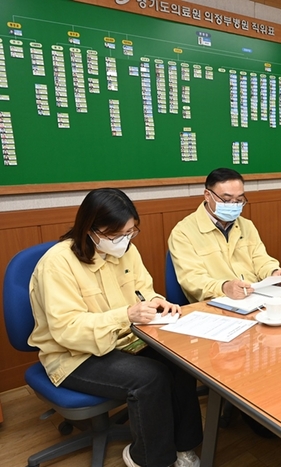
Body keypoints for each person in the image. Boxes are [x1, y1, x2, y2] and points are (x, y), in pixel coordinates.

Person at [28, 188, 202, 467]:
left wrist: (159, 304)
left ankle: (185, 448)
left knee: (179, 362)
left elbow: (144, 291)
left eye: (130, 232)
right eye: (115, 235)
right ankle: (148, 459)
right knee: (151, 377)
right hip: (73, 355)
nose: (124, 241)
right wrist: (126, 315)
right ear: (90, 229)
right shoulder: (57, 264)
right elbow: (67, 329)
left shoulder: (127, 251)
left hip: (124, 340)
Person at [168, 168, 281, 303]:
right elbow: (192, 279)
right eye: (226, 200)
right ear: (207, 195)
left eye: (239, 200)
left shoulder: (246, 225)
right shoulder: (183, 232)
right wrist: (224, 287)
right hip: (216, 303)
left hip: (255, 298)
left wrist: (273, 272)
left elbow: (260, 259)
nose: (233, 205)